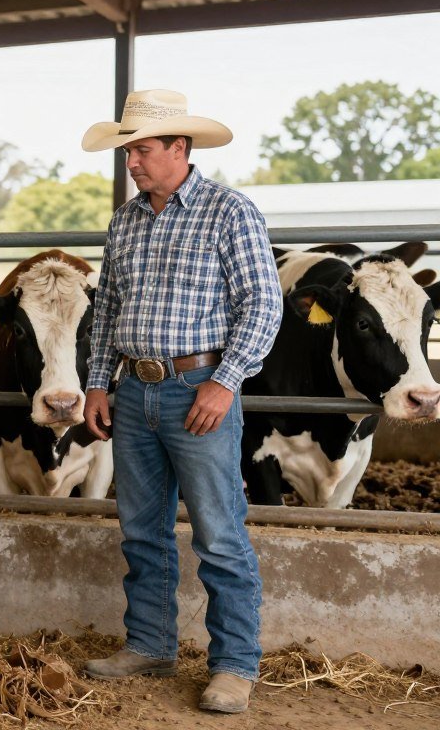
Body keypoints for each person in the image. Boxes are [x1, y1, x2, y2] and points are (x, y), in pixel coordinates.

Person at [79, 90, 283, 713]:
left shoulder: (230, 212)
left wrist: (226, 382)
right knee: (141, 531)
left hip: (199, 390)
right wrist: (96, 382)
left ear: (179, 148)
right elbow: (108, 307)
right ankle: (149, 643)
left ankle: (234, 666)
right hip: (133, 390)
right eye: (128, 151)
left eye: (141, 149)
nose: (132, 162)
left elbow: (263, 303)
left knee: (219, 534)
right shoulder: (125, 219)